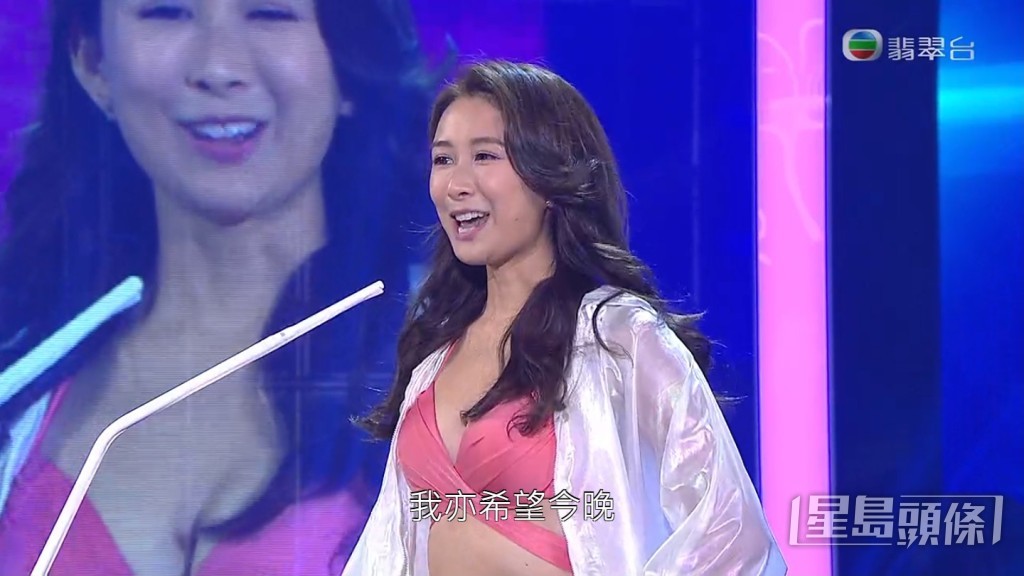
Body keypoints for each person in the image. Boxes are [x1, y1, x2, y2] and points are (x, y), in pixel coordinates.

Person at [0, 1, 443, 574]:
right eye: (166, 13)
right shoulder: (22, 384)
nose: (218, 67)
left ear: (351, 59)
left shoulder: (476, 365)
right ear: (92, 62)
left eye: (270, 13)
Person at [343, 60, 787, 576]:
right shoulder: (432, 366)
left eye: (485, 155)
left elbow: (733, 537)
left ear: (549, 176)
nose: (455, 184)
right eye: (443, 159)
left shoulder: (618, 339)